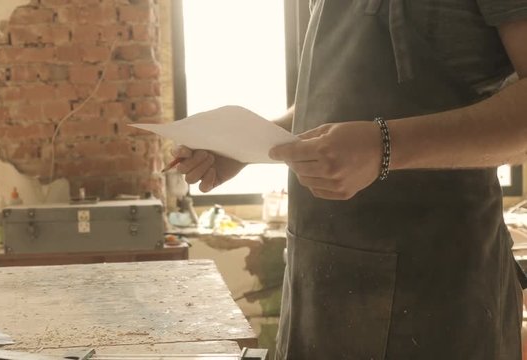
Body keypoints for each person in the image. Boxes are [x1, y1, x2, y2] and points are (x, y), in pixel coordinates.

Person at [171, 1, 527, 359]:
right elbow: (337, 100)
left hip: (438, 295)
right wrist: (251, 144)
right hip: (318, 282)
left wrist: (384, 146)